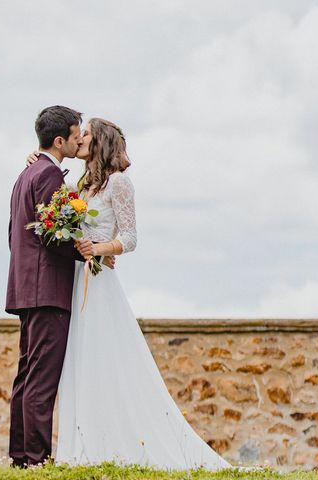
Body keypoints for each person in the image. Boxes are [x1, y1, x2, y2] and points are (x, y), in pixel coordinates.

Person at [25, 117, 231, 470]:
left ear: (100, 141)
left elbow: (131, 238)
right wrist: (35, 159)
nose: (80, 139)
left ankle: (113, 443)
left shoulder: (119, 183)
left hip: (98, 281)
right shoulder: (81, 183)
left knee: (105, 361)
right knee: (78, 362)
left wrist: (98, 248)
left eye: (85, 134)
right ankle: (82, 444)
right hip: (74, 281)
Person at [5, 106, 114, 468]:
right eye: (75, 133)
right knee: (42, 379)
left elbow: (14, 235)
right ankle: (35, 459)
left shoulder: (25, 174)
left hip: (25, 288)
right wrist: (85, 251)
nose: (79, 139)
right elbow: (55, 236)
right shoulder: (50, 176)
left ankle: (21, 456)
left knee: (27, 375)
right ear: (59, 140)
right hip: (47, 290)